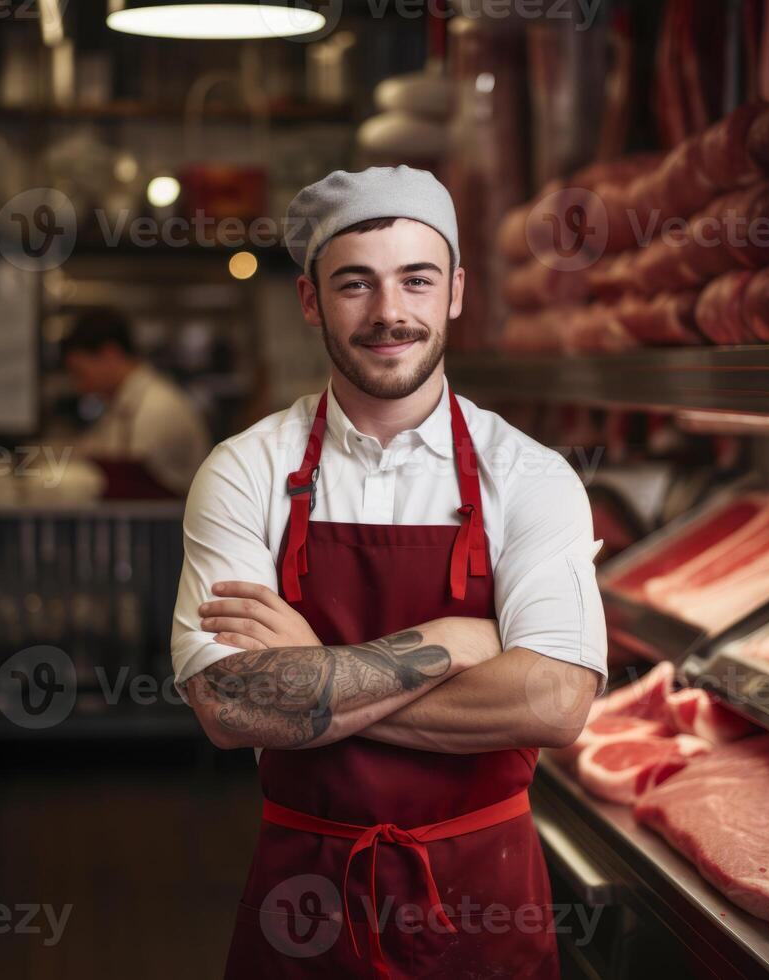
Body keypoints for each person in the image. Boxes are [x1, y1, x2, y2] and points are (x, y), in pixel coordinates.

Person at [171, 165, 607, 977]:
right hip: (302, 900)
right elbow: (228, 705)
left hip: (487, 900)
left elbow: (553, 701)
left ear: (456, 292)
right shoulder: (244, 471)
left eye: (416, 279)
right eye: (354, 285)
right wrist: (452, 639)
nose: (389, 313)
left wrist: (310, 674)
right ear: (310, 301)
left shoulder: (534, 476)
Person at [61, 308, 210, 498]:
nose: (79, 386)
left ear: (110, 354)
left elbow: (131, 477)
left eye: (80, 373)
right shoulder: (122, 401)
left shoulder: (157, 407)